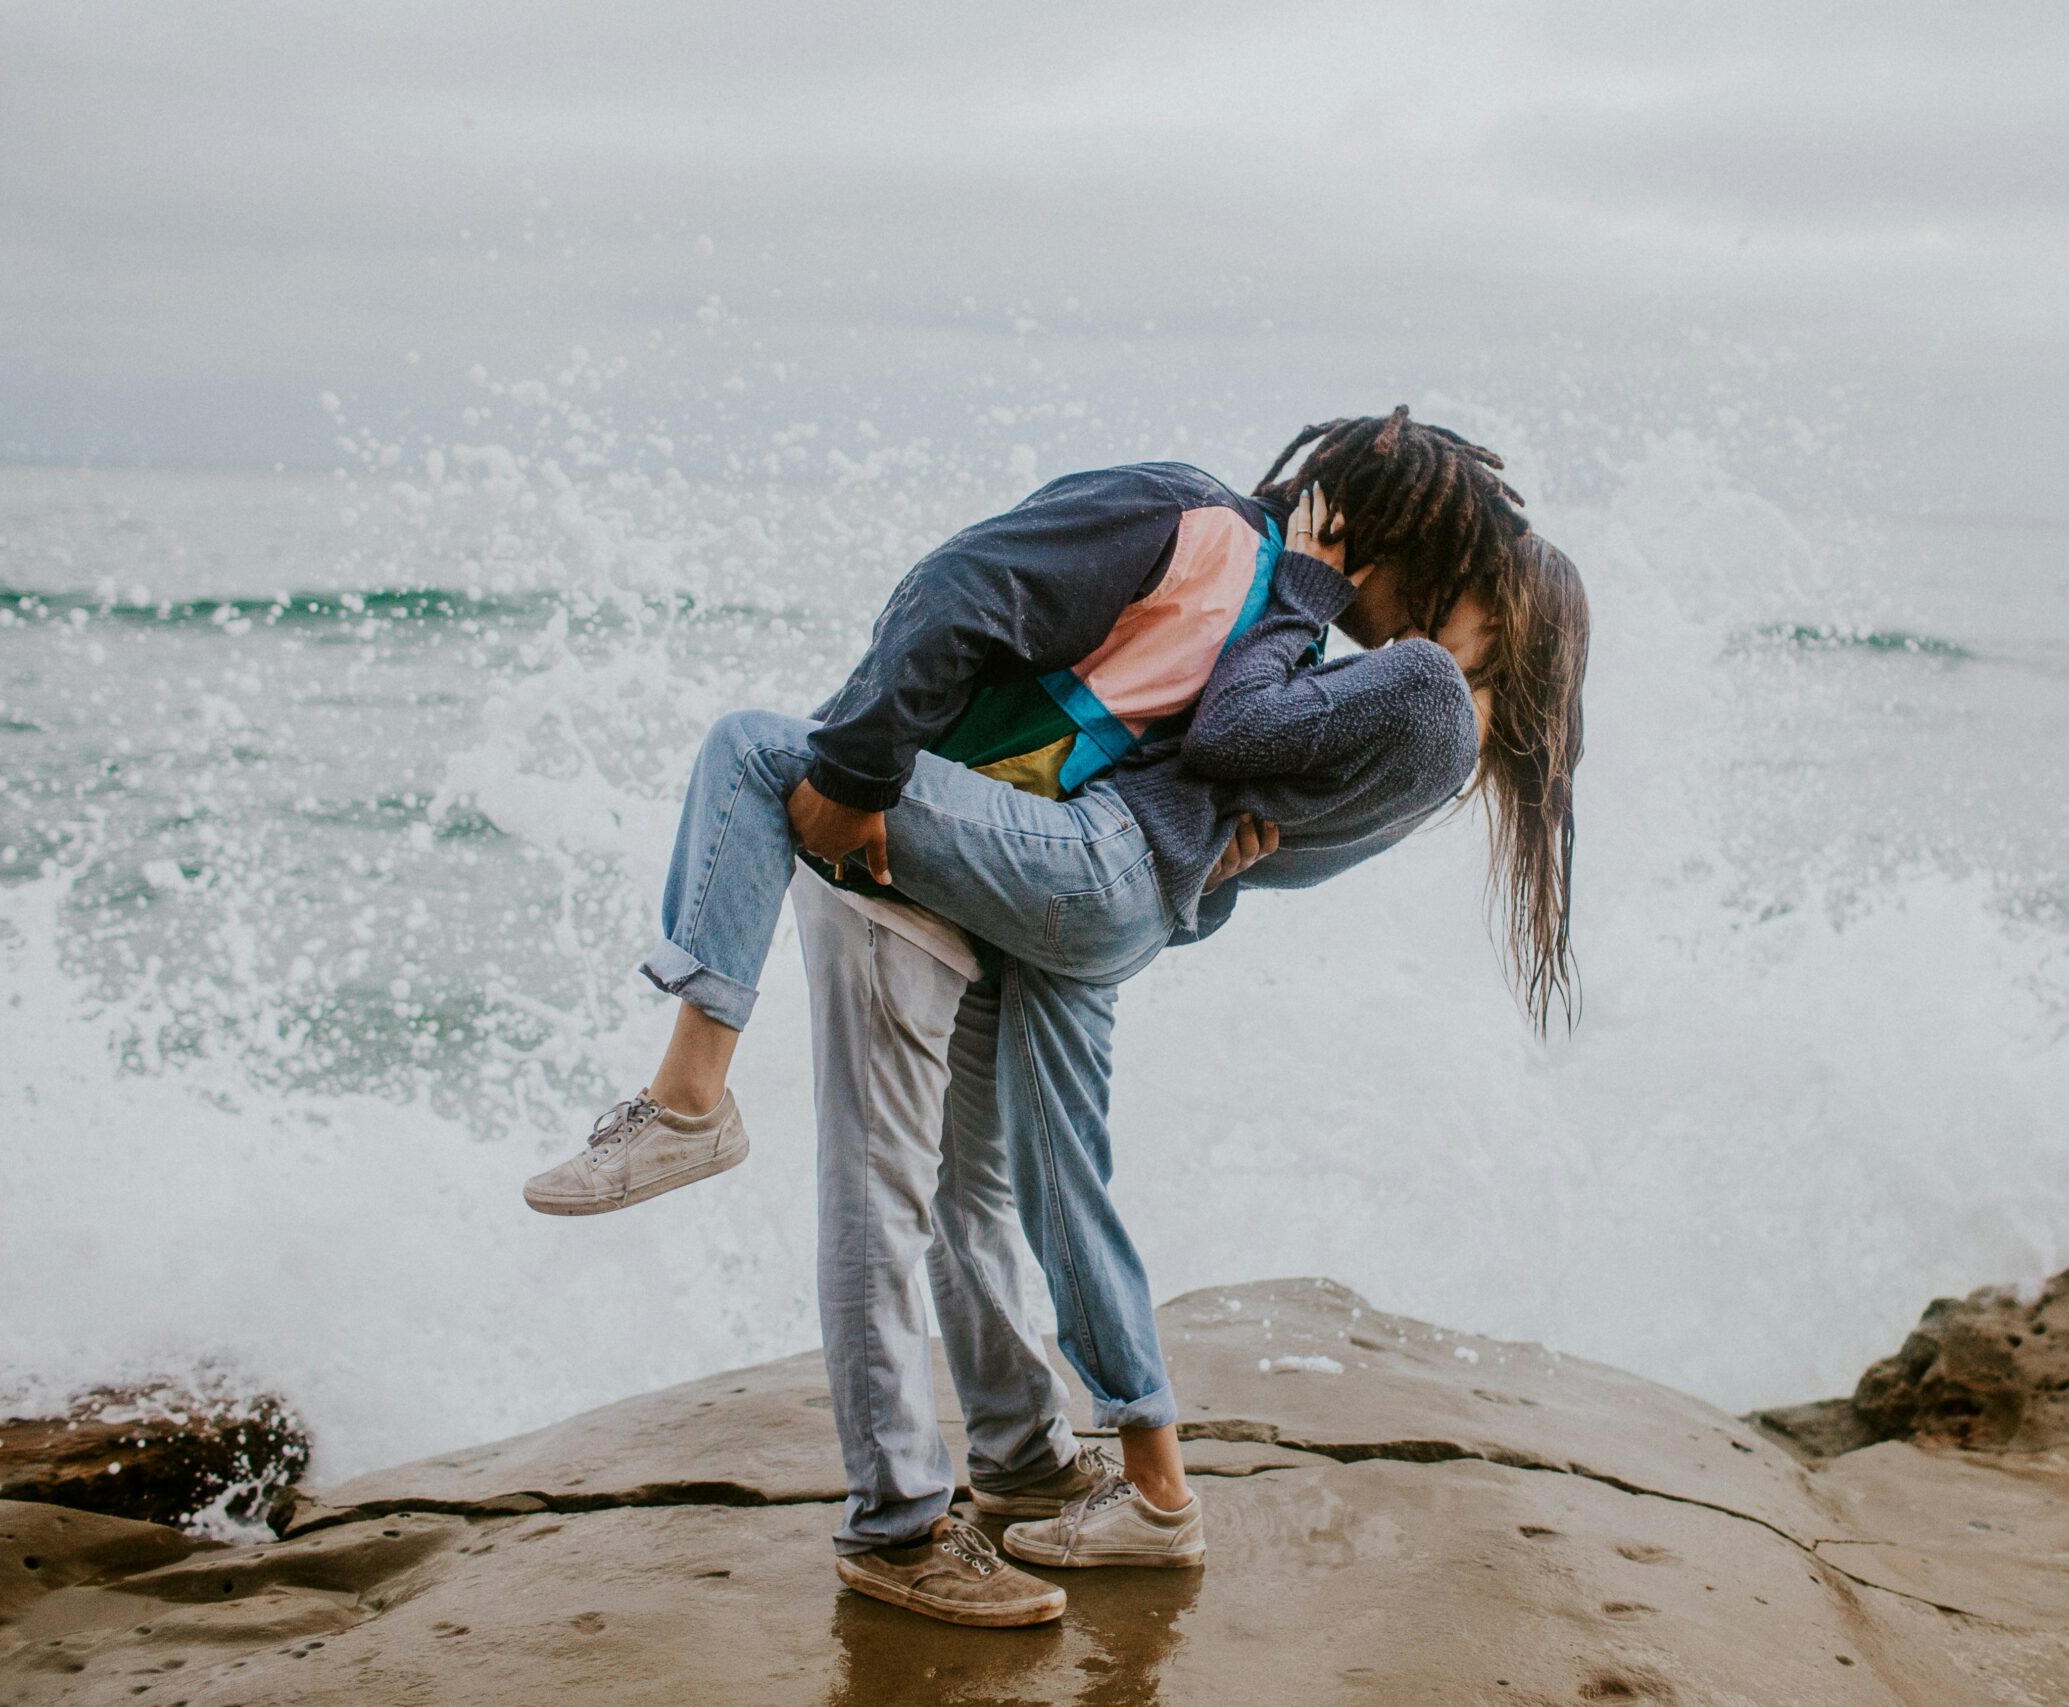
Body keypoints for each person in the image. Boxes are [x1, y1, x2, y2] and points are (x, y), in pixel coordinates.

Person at [522, 411, 1590, 1624]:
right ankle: (1049, 1470)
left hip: (1048, 868)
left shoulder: (1369, 659)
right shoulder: (1317, 640)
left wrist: (867, 771)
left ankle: (695, 1107)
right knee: (1023, 1188)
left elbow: (1219, 745)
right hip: (1050, 884)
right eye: (1446, 562)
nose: (1423, 602)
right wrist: (1190, 867)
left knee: (764, 763)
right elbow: (1233, 806)